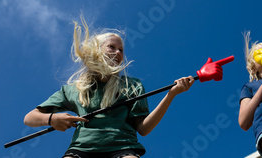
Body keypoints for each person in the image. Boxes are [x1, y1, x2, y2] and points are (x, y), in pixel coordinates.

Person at [24, 17, 195, 158]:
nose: (118, 53)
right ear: (96, 50)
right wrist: (52, 119)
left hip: (123, 149)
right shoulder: (73, 89)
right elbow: (30, 118)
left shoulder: (132, 85)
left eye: (121, 50)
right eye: (112, 47)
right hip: (81, 150)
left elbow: (143, 128)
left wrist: (171, 95)